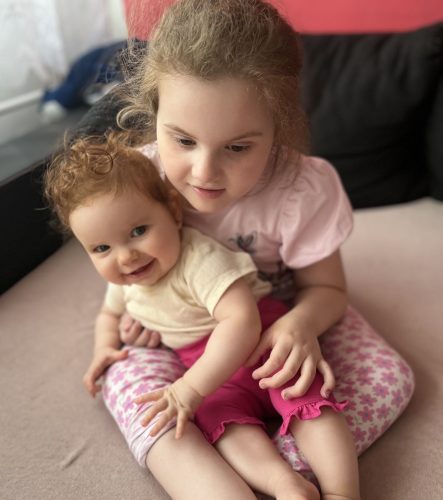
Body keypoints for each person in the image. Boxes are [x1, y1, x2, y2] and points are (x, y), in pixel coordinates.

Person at [68, 0, 414, 498]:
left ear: (277, 127)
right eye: (183, 140)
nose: (204, 172)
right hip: (181, 337)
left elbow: (327, 290)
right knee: (141, 401)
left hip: (280, 314)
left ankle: (303, 468)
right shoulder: (140, 178)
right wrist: (139, 309)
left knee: (387, 376)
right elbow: (115, 256)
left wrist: (301, 325)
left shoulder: (301, 188)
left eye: (237, 147)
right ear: (155, 113)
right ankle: (245, 480)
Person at [44, 132, 360, 499]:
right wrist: (104, 349)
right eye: (102, 248)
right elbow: (108, 315)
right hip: (211, 372)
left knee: (306, 399)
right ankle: (286, 485)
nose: (126, 256)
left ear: (173, 212)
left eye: (138, 231)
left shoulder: (198, 259)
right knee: (223, 424)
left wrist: (190, 389)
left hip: (262, 345)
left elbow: (241, 321)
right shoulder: (127, 282)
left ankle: (342, 491)